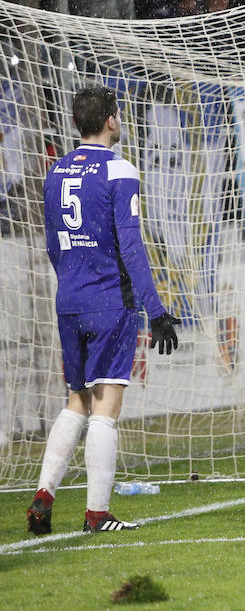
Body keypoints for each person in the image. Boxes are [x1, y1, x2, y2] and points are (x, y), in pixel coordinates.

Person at [26, 85, 181, 535]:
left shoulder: (55, 171)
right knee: (106, 405)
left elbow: (53, 242)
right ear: (111, 119)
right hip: (109, 299)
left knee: (75, 400)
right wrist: (156, 310)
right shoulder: (119, 169)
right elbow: (131, 246)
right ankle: (97, 513)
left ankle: (43, 494)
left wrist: (71, 282)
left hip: (68, 299)